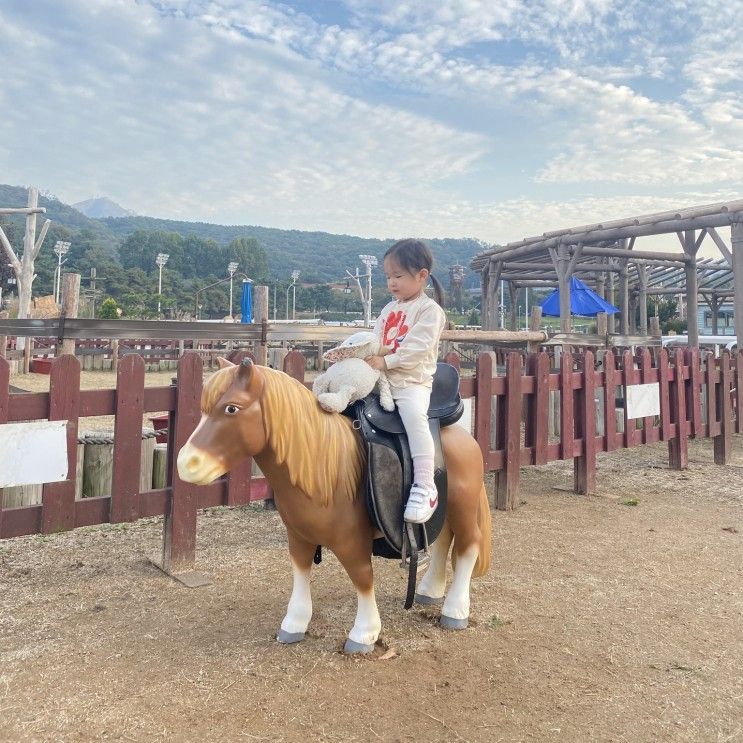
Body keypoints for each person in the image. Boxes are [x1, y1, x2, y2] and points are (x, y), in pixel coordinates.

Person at [364, 238, 447, 524]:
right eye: (388, 276)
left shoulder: (429, 311)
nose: (391, 282)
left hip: (411, 381)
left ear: (421, 276)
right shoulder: (388, 309)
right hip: (380, 376)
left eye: (398, 276)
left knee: (414, 417)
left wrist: (386, 361)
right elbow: (375, 339)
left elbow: (417, 348)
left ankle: (425, 484)